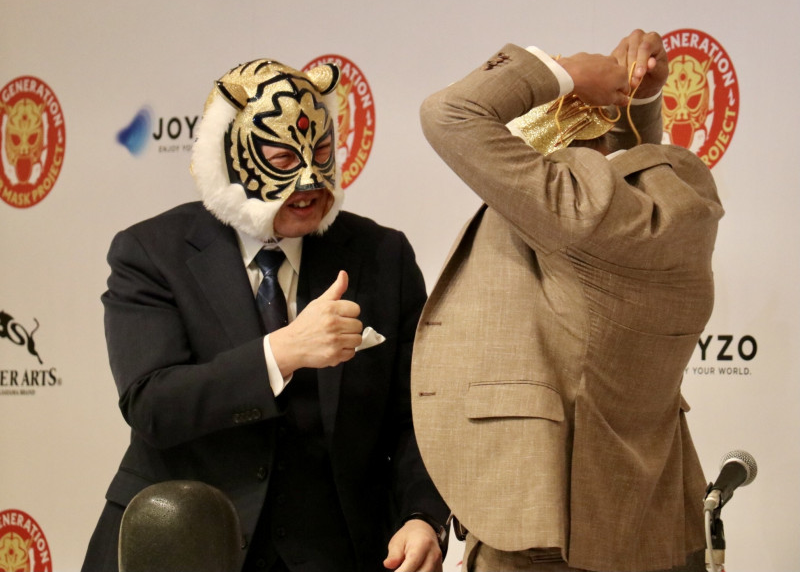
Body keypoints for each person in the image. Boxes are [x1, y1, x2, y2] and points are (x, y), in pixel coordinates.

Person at [82, 57, 449, 572]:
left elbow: (418, 416)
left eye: (322, 153)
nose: (309, 181)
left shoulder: (382, 256)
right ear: (230, 161)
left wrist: (421, 515)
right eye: (282, 158)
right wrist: (281, 353)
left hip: (337, 552)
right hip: (187, 547)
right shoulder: (151, 251)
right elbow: (153, 405)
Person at [411, 30, 723, 572]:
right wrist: (639, 99)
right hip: (639, 520)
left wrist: (566, 73)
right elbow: (628, 166)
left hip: (545, 526)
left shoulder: (576, 214)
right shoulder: (669, 214)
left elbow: (450, 113)